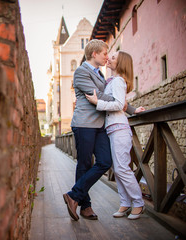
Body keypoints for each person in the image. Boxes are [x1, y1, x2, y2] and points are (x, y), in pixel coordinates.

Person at [63, 39, 137, 221]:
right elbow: (98, 96)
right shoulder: (81, 71)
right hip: (84, 124)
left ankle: (73, 195)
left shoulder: (101, 75)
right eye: (105, 53)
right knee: (84, 164)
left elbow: (111, 99)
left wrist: (132, 110)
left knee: (105, 161)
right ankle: (85, 207)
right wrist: (122, 103)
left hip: (100, 125)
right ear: (94, 54)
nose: (107, 57)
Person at [85, 50, 145, 220]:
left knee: (122, 168)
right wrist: (133, 109)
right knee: (117, 169)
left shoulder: (118, 81)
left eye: (113, 58)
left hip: (119, 129)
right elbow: (123, 104)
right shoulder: (111, 81)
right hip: (112, 129)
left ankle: (138, 203)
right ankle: (125, 203)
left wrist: (98, 102)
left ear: (120, 63)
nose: (108, 59)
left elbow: (118, 104)